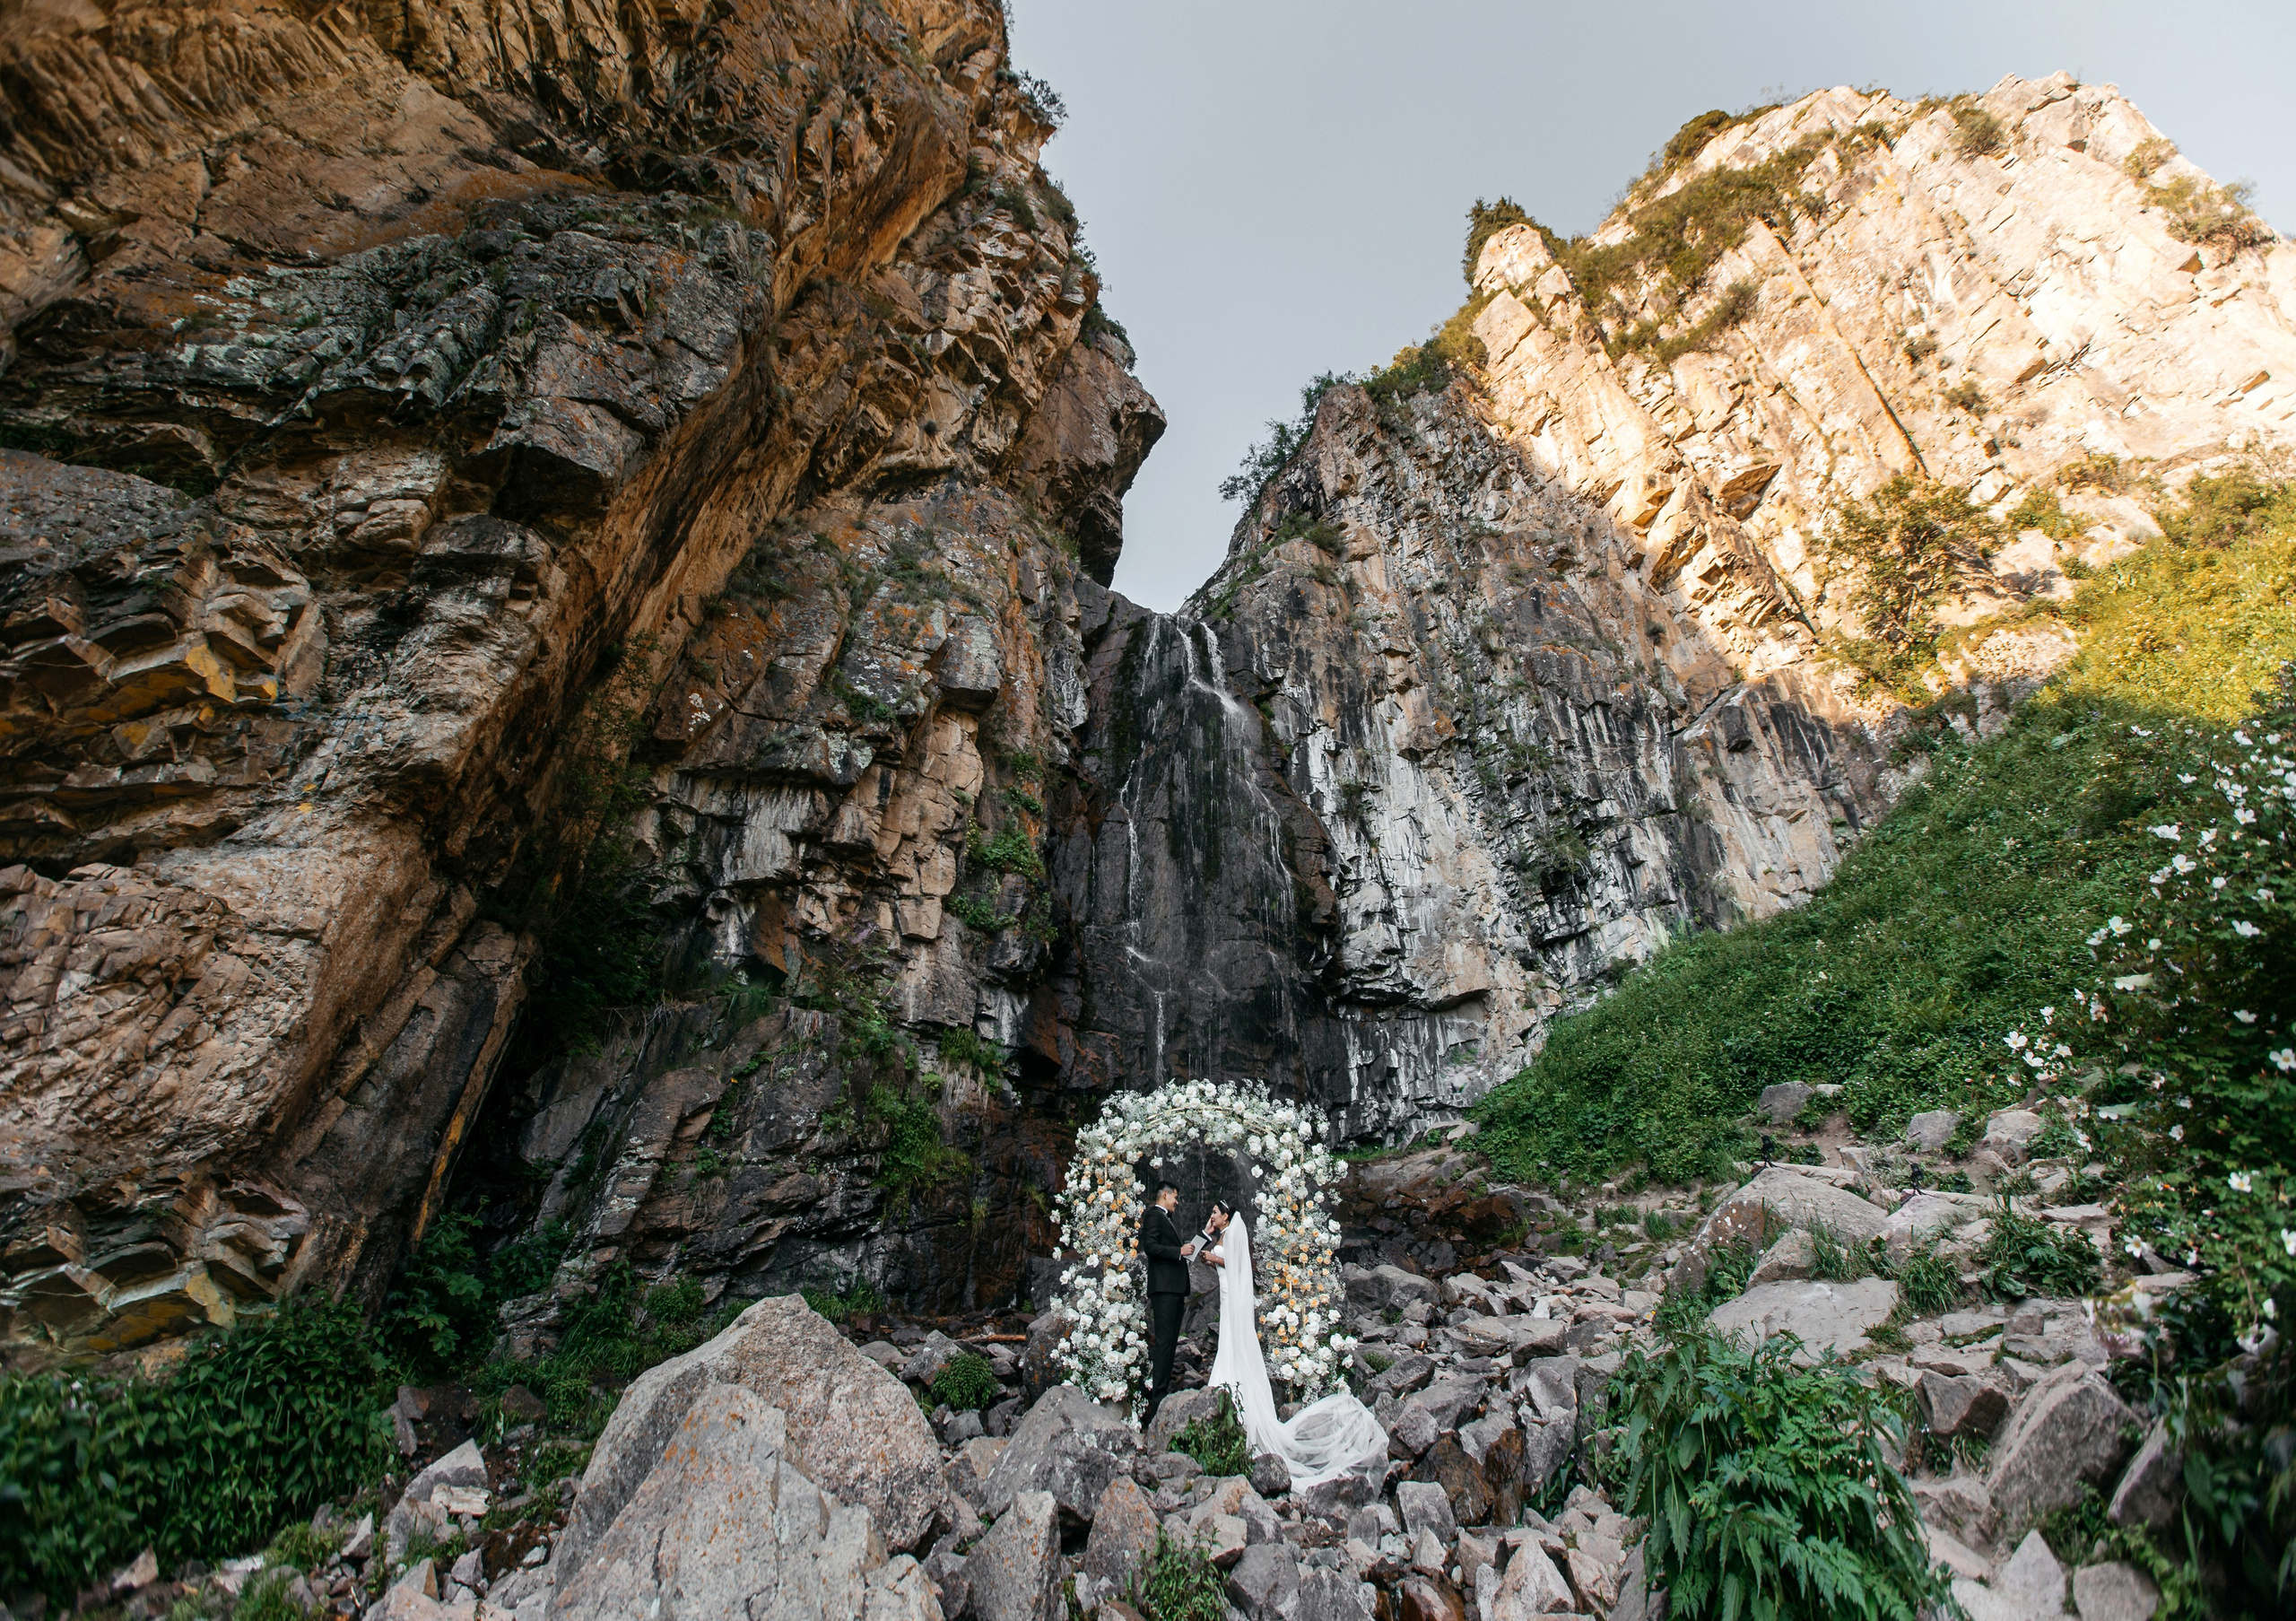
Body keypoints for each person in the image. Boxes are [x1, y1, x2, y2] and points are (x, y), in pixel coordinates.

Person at [1199, 1200, 1387, 1488]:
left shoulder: (1235, 1233)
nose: (1211, 1215)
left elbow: (1238, 1263)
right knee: (1227, 1342)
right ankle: (1225, 1391)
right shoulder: (1220, 1235)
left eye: (1215, 1212)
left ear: (1226, 1216)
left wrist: (1214, 1259)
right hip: (1225, 1297)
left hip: (1233, 1297)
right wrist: (1209, 1237)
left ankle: (1236, 1400)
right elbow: (1206, 1255)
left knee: (1234, 1341)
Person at [1138, 1179, 1192, 1425]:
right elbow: (1150, 1247)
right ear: (1165, 1195)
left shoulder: (1164, 1218)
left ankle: (1162, 1395)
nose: (1177, 1202)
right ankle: (1157, 1401)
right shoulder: (1153, 1216)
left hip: (1174, 1289)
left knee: (1170, 1343)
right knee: (1163, 1343)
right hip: (1164, 1289)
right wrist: (1178, 1252)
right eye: (1175, 1197)